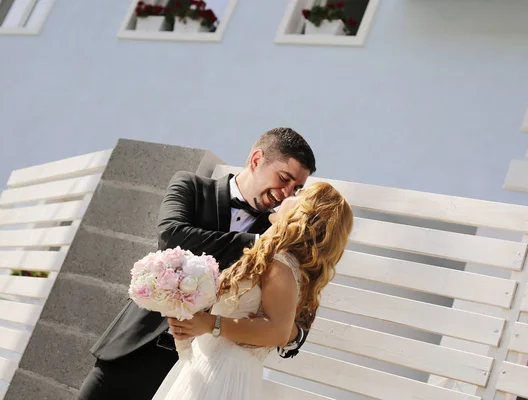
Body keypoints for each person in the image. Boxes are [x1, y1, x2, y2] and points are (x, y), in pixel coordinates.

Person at [78, 127, 317, 400]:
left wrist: (286, 332)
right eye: (284, 178)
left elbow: (295, 312)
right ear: (256, 159)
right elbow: (172, 237)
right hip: (132, 350)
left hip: (198, 375)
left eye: (296, 188)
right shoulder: (191, 186)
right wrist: (259, 242)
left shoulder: (279, 240)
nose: (287, 193)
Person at [153, 181, 354, 400]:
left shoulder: (281, 263)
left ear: (306, 213)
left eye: (300, 193)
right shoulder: (275, 260)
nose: (287, 196)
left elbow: (279, 332)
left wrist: (210, 323)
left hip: (224, 372)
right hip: (210, 361)